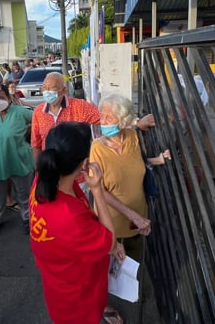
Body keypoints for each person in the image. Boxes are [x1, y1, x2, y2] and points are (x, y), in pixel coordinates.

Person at [30, 122, 125, 324]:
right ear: (84, 164)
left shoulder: (42, 182)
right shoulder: (69, 215)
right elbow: (108, 242)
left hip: (58, 285)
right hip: (79, 296)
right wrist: (97, 189)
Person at [90, 93, 170, 259]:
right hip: (112, 225)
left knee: (133, 268)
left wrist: (157, 160)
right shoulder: (97, 148)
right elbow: (99, 190)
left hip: (137, 221)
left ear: (122, 121)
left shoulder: (133, 137)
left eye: (109, 118)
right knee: (112, 273)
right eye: (101, 116)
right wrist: (132, 215)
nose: (103, 122)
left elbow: (134, 163)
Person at [31, 72, 155, 161]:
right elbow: (36, 144)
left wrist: (136, 122)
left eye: (51, 88)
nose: (47, 91)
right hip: (51, 173)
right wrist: (39, 170)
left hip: (77, 176)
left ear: (64, 90)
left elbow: (107, 117)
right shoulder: (38, 112)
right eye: (44, 88)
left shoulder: (79, 107)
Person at [0, 84, 34, 240]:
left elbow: (39, 121)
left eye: (1, 98)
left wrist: (30, 133)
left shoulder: (21, 113)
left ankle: (28, 219)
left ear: (9, 98)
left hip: (20, 160)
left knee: (24, 194)